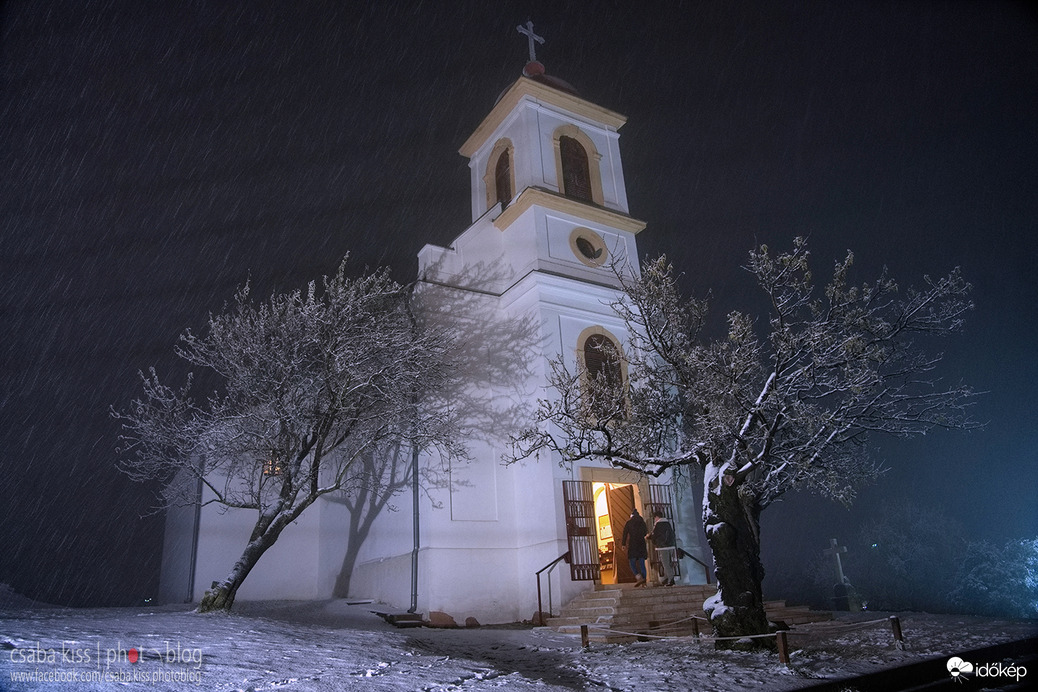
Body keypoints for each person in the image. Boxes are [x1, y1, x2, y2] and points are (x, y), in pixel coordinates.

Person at [620, 509, 648, 587]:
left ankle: (638, 577)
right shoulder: (642, 523)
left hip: (633, 545)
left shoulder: (629, 523)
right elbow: (645, 532)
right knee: (642, 564)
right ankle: (644, 582)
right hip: (641, 544)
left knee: (632, 563)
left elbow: (625, 534)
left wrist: (623, 544)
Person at [649, 510, 677, 586]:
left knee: (665, 563)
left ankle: (671, 579)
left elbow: (654, 535)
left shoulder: (658, 524)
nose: (654, 519)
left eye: (654, 518)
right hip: (670, 546)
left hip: (663, 547)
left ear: (657, 517)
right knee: (668, 562)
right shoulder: (667, 523)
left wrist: (649, 537)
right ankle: (666, 578)